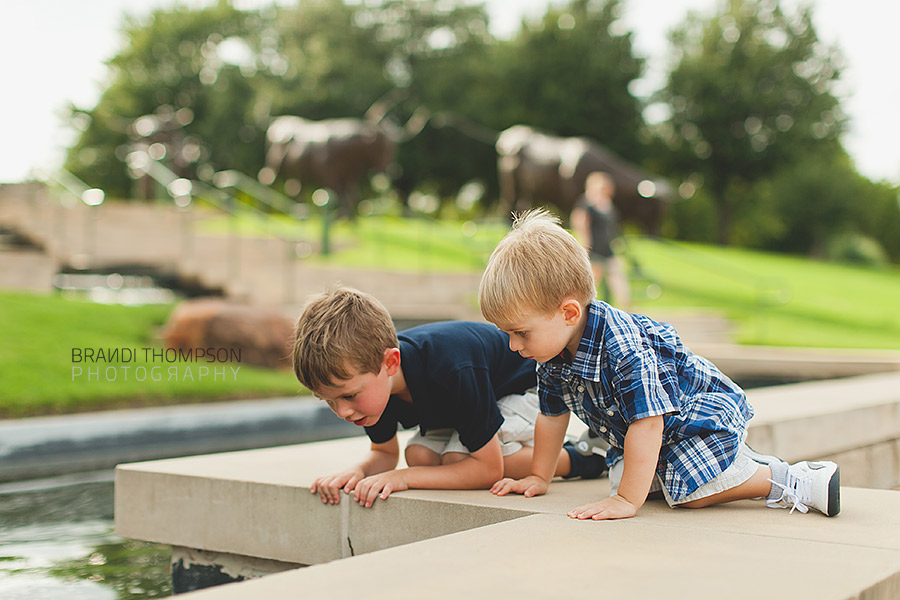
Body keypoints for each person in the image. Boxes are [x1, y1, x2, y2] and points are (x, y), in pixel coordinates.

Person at [478, 209, 841, 520]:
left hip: (695, 421)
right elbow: (552, 416)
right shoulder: (550, 355)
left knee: (690, 494)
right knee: (634, 480)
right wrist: (540, 477)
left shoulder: (623, 350)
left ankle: (784, 478)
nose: (513, 346)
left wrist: (625, 502)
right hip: (649, 435)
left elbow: (648, 424)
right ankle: (735, 466)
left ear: (569, 313)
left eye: (521, 332)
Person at [291, 286, 607, 508]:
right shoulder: (372, 389)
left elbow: (488, 471)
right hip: (477, 399)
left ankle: (585, 457)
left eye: (348, 396)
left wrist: (403, 479)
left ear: (391, 363)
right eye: (330, 401)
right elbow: (384, 454)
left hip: (527, 385)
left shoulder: (451, 368)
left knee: (458, 460)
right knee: (420, 457)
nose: (343, 411)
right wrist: (357, 472)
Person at [570, 171, 630, 309]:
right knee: (591, 282)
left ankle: (626, 310)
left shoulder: (608, 205)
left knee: (618, 277)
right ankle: (584, 309)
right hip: (593, 248)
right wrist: (585, 244)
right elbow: (580, 223)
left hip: (607, 248)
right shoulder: (586, 203)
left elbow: (612, 228)